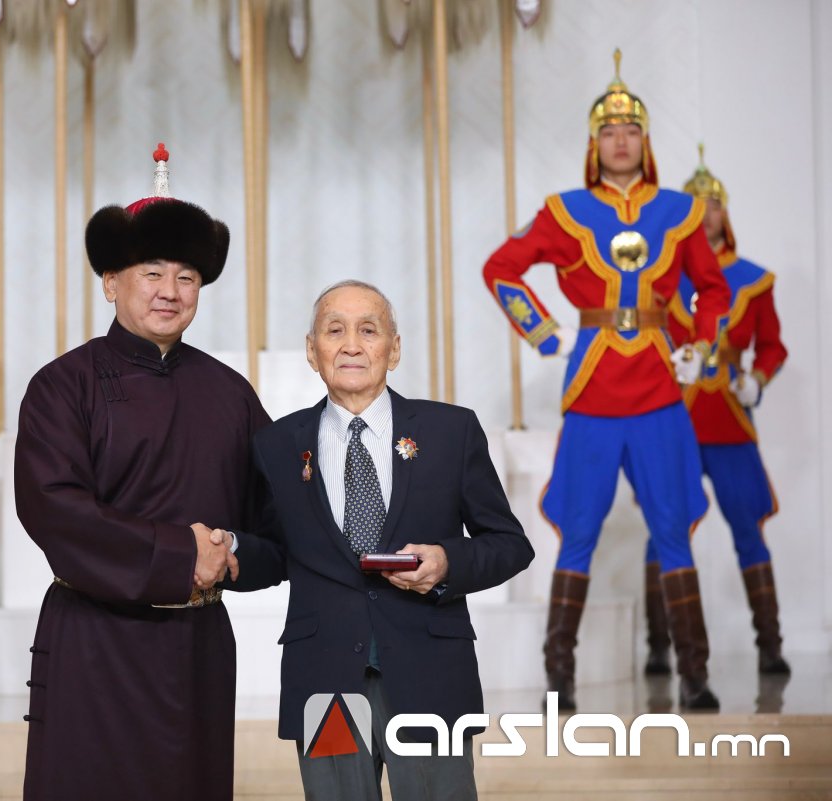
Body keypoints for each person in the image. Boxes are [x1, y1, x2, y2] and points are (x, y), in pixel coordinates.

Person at [13, 144, 273, 801]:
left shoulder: (230, 393)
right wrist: (183, 552)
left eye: (186, 277)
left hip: (198, 647)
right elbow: (55, 511)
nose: (169, 291)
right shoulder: (62, 386)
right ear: (111, 282)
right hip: (95, 642)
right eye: (151, 272)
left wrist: (231, 552)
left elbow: (277, 520)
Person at [481, 50, 731, 710]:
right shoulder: (563, 211)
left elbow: (713, 289)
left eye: (632, 131)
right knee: (579, 529)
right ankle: (558, 677)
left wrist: (701, 346)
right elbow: (500, 268)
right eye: (610, 131)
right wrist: (544, 332)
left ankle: (695, 674)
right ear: (595, 145)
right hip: (592, 392)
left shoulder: (680, 210)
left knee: (673, 527)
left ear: (646, 142)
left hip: (659, 390)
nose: (621, 141)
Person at [231, 280, 531, 801]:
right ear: (312, 351)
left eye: (368, 330)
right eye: (335, 330)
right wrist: (229, 552)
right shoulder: (276, 445)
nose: (351, 345)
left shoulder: (450, 431)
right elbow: (277, 553)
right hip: (324, 680)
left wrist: (447, 562)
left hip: (429, 675)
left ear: (394, 349)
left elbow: (510, 544)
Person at [642, 146, 789, 675]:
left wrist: (757, 379)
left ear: (727, 213)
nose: (707, 214)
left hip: (729, 420)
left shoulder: (753, 278)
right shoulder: (659, 275)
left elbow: (772, 347)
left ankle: (770, 645)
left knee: (748, 526)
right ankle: (659, 646)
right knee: (665, 529)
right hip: (673, 418)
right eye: (696, 206)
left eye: (715, 205)